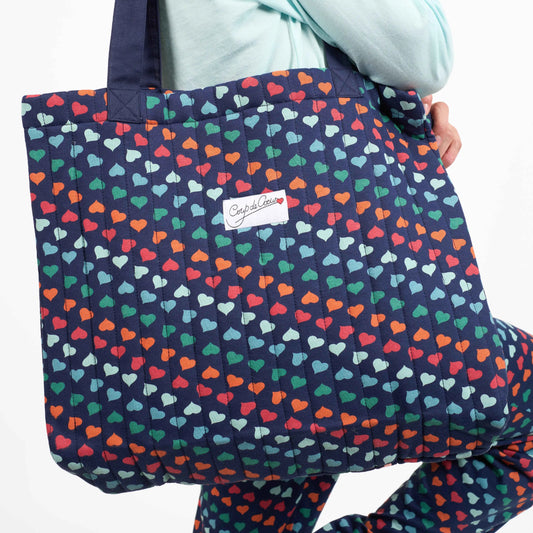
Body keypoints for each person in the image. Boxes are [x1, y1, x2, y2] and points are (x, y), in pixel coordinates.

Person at [157, 1, 533, 531]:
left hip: (243, 306)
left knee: (263, 472)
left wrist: (392, 112)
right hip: (329, 273)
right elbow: (420, 51)